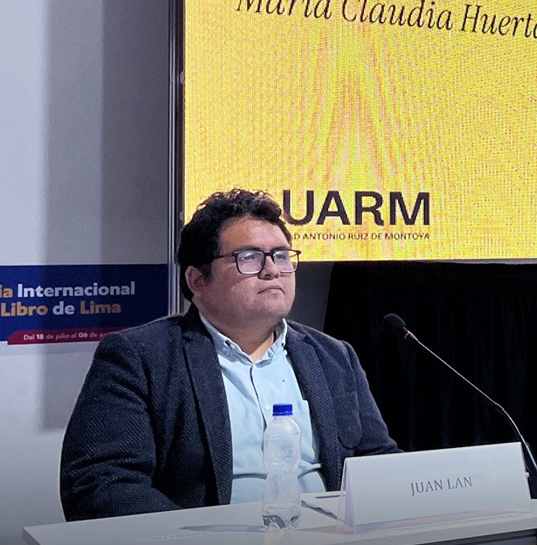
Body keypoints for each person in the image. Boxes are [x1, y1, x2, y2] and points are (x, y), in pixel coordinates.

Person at [60, 189, 399, 521]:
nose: (272, 270)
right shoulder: (141, 358)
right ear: (197, 280)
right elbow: (101, 484)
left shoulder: (333, 356)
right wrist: (203, 543)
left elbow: (378, 459)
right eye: (249, 257)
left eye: (282, 256)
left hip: (331, 543)